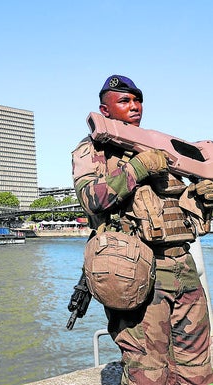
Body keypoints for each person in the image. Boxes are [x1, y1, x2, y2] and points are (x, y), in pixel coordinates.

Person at [72, 74, 213, 384]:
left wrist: (203, 197)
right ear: (104, 109)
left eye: (137, 100)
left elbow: (184, 212)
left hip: (182, 266)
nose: (134, 106)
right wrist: (138, 167)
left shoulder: (165, 151)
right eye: (124, 100)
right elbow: (92, 199)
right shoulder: (94, 150)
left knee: (198, 368)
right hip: (137, 269)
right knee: (149, 371)